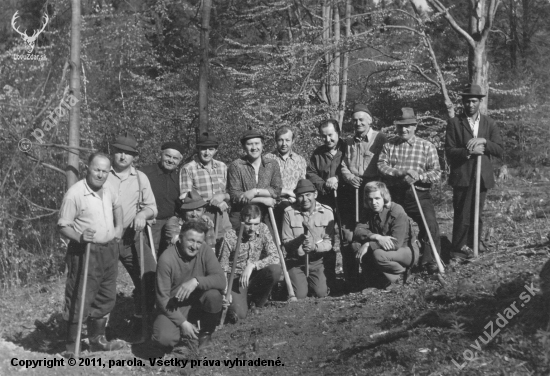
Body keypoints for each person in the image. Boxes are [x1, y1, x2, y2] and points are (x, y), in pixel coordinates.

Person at [58, 152, 125, 353]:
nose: (101, 174)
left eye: (105, 171)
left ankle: (97, 341)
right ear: (88, 168)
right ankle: (72, 346)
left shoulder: (109, 188)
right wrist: (79, 237)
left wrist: (119, 228)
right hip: (85, 251)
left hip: (109, 250)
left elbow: (118, 205)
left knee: (105, 295)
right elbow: (63, 225)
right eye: (97, 169)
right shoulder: (75, 194)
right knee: (80, 296)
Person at [378, 107, 442, 274]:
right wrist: (401, 172)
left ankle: (429, 262)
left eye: (408, 126)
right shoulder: (389, 145)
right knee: (394, 226)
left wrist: (418, 176)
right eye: (400, 126)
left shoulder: (426, 146)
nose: (404, 129)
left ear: (415, 126)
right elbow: (382, 166)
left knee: (430, 226)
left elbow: (436, 172)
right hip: (396, 194)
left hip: (419, 194)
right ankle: (398, 262)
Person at [105, 132, 158, 332]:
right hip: (105, 239)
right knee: (103, 283)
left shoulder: (140, 178)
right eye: (119, 152)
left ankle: (139, 320)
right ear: (113, 153)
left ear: (134, 156)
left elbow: (152, 207)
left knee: (149, 277)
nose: (122, 157)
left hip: (130, 238)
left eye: (128, 153)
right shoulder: (102, 173)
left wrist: (143, 215)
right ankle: (99, 329)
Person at [445, 84, 504, 259]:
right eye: (467, 101)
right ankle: (458, 249)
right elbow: (449, 150)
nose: (470, 105)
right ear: (463, 103)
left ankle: (473, 244)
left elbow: (499, 149)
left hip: (482, 176)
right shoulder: (455, 123)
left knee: (476, 212)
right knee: (462, 213)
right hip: (462, 175)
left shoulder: (489, 123)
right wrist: (469, 152)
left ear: (479, 102)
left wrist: (484, 142)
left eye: (473, 101)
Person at [153, 221, 225, 353]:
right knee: (163, 338)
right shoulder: (167, 259)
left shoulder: (205, 251)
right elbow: (162, 299)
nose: (194, 246)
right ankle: (183, 337)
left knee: (214, 295)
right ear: (180, 238)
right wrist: (182, 323)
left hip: (197, 302)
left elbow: (221, 280)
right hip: (174, 306)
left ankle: (205, 335)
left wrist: (196, 281)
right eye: (191, 241)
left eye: (199, 242)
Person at [219, 204, 281, 321]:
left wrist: (253, 265)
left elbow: (275, 256)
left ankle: (257, 304)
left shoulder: (263, 229)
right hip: (236, 278)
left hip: (254, 274)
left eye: (256, 224)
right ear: (241, 221)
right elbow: (222, 266)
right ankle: (239, 302)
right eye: (248, 224)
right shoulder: (230, 236)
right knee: (240, 315)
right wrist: (225, 291)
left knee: (275, 270)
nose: (252, 228)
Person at [352, 181, 419, 291]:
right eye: (370, 199)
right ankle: (375, 280)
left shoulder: (397, 210)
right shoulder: (369, 210)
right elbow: (358, 230)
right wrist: (376, 237)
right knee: (356, 245)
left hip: (406, 249)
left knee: (378, 254)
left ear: (384, 197)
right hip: (387, 248)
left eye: (377, 198)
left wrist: (369, 244)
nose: (374, 202)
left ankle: (401, 277)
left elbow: (396, 243)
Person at [305, 119, 347, 290]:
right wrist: (324, 184)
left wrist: (338, 180)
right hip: (325, 200)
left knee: (346, 238)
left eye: (331, 135)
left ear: (338, 133)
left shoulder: (347, 148)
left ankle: (350, 276)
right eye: (324, 136)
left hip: (345, 200)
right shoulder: (318, 153)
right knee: (326, 238)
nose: (328, 139)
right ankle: (328, 278)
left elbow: (353, 169)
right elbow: (311, 173)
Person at [340, 104, 387, 239]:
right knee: (354, 224)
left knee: (373, 222)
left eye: (361, 120)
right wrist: (349, 177)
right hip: (354, 187)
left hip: (374, 187)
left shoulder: (380, 139)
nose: (358, 123)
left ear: (370, 120)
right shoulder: (349, 141)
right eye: (355, 120)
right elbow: (344, 164)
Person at [282, 179, 335, 299]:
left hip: (317, 261)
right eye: (300, 196)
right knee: (300, 295)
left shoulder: (327, 212)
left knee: (321, 293)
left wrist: (314, 247)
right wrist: (299, 243)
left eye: (308, 195)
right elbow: (286, 242)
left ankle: (314, 283)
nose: (305, 199)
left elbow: (329, 242)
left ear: (315, 194)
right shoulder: (289, 213)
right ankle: (295, 283)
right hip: (296, 262)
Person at [180, 132, 231, 248]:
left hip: (222, 215)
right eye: (203, 149)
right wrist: (211, 201)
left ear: (216, 150)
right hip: (201, 216)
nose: (207, 153)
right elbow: (185, 197)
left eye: (211, 149)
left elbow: (229, 192)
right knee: (206, 249)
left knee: (226, 245)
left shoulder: (222, 166)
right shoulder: (188, 168)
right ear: (198, 149)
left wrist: (223, 197)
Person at [227, 130, 282, 233]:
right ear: (244, 147)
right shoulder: (236, 166)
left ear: (262, 145)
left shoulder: (272, 164)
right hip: (242, 213)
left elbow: (277, 190)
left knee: (272, 245)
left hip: (266, 213)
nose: (254, 147)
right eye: (249, 144)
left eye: (257, 143)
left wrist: (254, 192)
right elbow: (235, 196)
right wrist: (263, 200)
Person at [141, 142, 185, 256]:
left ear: (180, 160)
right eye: (168, 156)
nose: (171, 160)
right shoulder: (145, 173)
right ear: (160, 155)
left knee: (171, 255)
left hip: (171, 223)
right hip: (152, 223)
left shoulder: (179, 177)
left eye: (175, 158)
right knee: (151, 256)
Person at [264, 126, 307, 230]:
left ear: (293, 141)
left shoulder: (300, 160)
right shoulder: (267, 159)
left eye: (287, 140)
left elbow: (303, 184)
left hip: (295, 205)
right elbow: (265, 186)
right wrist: (287, 192)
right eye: (280, 140)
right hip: (274, 206)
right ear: (275, 141)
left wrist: (296, 196)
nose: (284, 144)